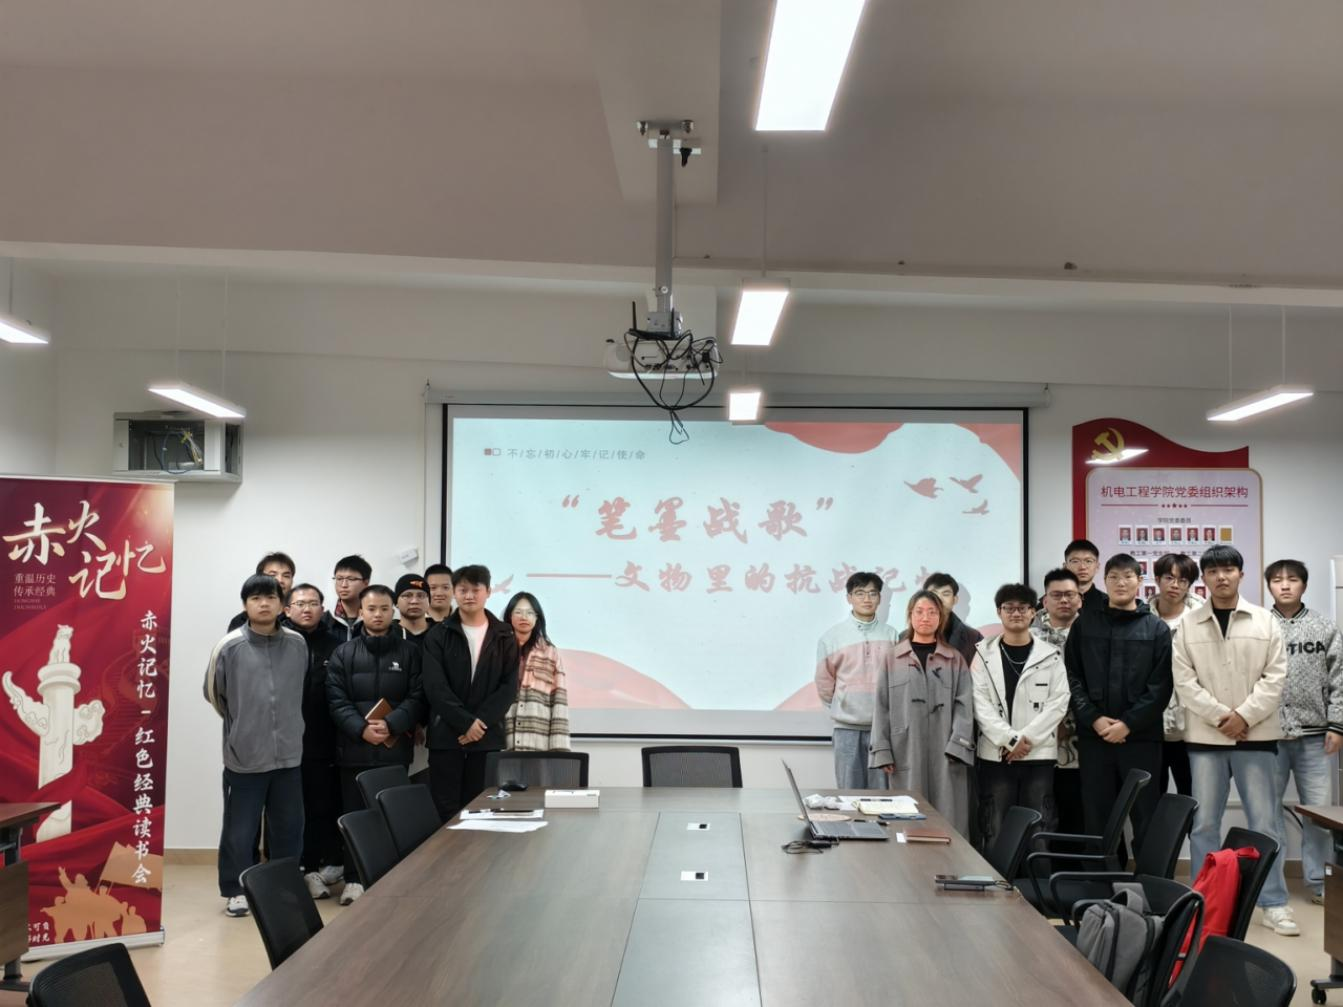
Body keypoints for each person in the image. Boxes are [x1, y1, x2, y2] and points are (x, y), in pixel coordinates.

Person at [1172, 545, 1292, 935]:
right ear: (1204, 578)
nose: (1221, 577)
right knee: (1204, 823)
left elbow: (1275, 677)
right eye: (1213, 571)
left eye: (1228, 569)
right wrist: (1222, 717)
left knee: (1265, 823)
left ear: (1241, 573)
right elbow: (1184, 681)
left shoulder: (1265, 621)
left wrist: (1244, 717)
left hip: (1255, 736)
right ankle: (1204, 900)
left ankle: (1273, 902)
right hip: (1206, 738)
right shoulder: (1188, 624)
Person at [203, 574, 307, 917]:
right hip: (244, 756)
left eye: (270, 597)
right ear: (245, 605)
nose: (264, 604)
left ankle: (283, 886)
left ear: (282, 604)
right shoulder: (229, 646)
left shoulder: (297, 644)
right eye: (256, 598)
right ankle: (235, 889)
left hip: (288, 755)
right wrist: (243, 727)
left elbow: (297, 691)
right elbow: (214, 694)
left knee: (289, 827)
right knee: (240, 829)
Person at [326, 584, 426, 904]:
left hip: (394, 751)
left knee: (390, 817)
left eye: (384, 608)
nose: (378, 614)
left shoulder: (410, 653)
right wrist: (361, 729)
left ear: (393, 610)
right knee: (354, 818)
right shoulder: (343, 653)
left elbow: (418, 696)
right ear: (361, 612)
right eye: (371, 609)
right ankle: (354, 879)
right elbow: (336, 700)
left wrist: (393, 723)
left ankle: (390, 880)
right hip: (353, 751)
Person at [1065, 554, 1172, 852]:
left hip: (1141, 739)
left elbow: (1161, 686)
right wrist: (1094, 719)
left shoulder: (1156, 629)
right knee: (1096, 816)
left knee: (1145, 814)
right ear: (1105, 581)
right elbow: (1072, 677)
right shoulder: (1085, 624)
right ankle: (1099, 878)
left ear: (1140, 581)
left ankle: (1148, 878)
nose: (1120, 583)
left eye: (1127, 576)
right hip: (1094, 737)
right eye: (1113, 577)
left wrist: (1128, 724)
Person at [1266, 558, 1343, 908]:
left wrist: (1337, 725)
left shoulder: (1324, 627)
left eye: (1293, 579)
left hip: (1316, 737)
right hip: (1268, 737)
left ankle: (1320, 882)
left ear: (1304, 585)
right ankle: (1269, 884)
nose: (1285, 585)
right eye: (1277, 580)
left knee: (1319, 815)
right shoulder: (1260, 625)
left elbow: (1339, 679)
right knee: (1267, 814)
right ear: (1268, 585)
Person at [971, 584, 1069, 851]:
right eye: (1009, 608)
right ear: (999, 612)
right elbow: (980, 704)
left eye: (1022, 608)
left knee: (1039, 828)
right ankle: (996, 878)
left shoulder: (1051, 655)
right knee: (995, 826)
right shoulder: (982, 654)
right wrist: (1010, 739)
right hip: (996, 754)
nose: (1016, 613)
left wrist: (1024, 740)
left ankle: (1038, 878)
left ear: (1033, 613)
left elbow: (1059, 702)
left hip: (1038, 755)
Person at [869, 591, 975, 834]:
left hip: (947, 752)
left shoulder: (954, 659)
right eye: (919, 611)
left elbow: (965, 706)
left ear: (941, 618)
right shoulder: (892, 658)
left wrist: (958, 746)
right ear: (910, 615)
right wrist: (883, 751)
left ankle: (951, 859)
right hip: (905, 749)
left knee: (949, 820)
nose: (925, 617)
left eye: (932, 612)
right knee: (907, 819)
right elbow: (881, 706)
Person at [420, 565, 519, 821]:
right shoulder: (438, 634)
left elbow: (508, 687)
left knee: (482, 808)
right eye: (463, 590)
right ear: (455, 592)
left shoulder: (505, 635)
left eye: (476, 590)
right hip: (446, 735)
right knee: (445, 809)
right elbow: (435, 686)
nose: (469, 596)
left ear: (488, 591)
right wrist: (465, 723)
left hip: (487, 737)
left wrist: (479, 723)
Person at [284, 583, 347, 901]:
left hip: (322, 742)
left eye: (313, 603)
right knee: (287, 813)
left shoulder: (337, 645)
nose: (306, 609)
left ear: (323, 608)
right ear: (287, 609)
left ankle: (312, 868)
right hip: (281, 743)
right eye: (299, 603)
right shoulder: (277, 642)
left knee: (320, 808)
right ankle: (289, 873)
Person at [815, 572, 900, 789]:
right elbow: (824, 684)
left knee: (882, 795)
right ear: (849, 598)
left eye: (873, 593)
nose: (867, 599)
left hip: (882, 730)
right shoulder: (832, 637)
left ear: (880, 598)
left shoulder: (892, 635)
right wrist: (843, 705)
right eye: (860, 593)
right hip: (846, 729)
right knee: (849, 793)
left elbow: (898, 681)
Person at [1032, 567, 1085, 835]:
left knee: (1077, 807)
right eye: (1056, 595)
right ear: (1045, 600)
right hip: (1038, 737)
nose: (1064, 600)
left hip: (1082, 737)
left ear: (1080, 599)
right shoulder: (1029, 636)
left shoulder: (1093, 632)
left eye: (1069, 594)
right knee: (1040, 807)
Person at [1150, 553, 1202, 797]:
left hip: (1192, 726)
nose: (1175, 585)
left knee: (1193, 795)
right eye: (1169, 578)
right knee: (1152, 796)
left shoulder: (1202, 619)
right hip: (1151, 726)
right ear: (1157, 579)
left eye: (1183, 580)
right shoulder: (1142, 618)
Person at [502, 592, 570, 751]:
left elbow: (559, 701)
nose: (524, 617)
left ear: (537, 618)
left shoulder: (550, 653)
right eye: (518, 612)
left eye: (530, 612)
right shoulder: (498, 649)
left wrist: (559, 751)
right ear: (509, 616)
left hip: (538, 742)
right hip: (503, 740)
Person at [922, 572, 983, 665]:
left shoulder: (974, 638)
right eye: (934, 594)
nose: (939, 599)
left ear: (955, 600)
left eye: (946, 594)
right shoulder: (906, 637)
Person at [226, 552, 296, 631]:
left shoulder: (299, 617)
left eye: (286, 576)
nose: (280, 580)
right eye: (272, 575)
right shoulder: (241, 621)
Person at [331, 555, 371, 639]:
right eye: (339, 579)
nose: (344, 585)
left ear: (366, 583)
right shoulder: (325, 620)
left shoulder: (375, 619)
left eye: (351, 579)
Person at [1064, 539, 1108, 614]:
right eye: (1075, 561)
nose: (1082, 567)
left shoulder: (1109, 603)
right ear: (1065, 567)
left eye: (1088, 561)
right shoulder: (1051, 601)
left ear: (1097, 567)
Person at [392, 573, 434, 644]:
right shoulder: (387, 634)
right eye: (407, 596)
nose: (414, 601)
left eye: (421, 596)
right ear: (396, 602)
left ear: (429, 601)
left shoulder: (442, 633)